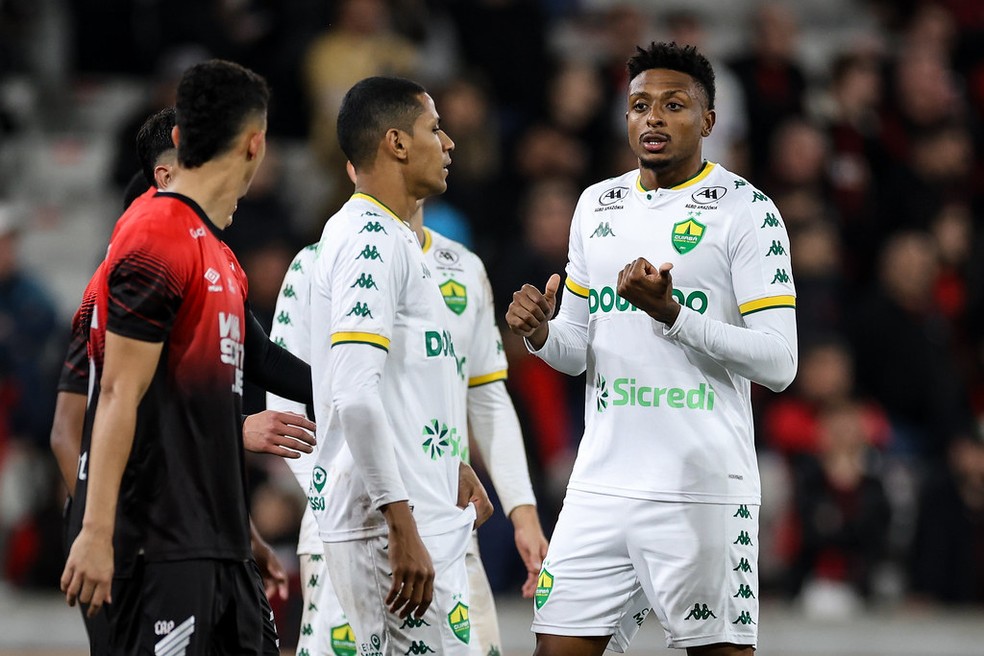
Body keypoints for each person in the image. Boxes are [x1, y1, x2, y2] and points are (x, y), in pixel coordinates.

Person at [505, 42, 798, 655]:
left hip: (702, 486)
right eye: (640, 105)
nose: (654, 118)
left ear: (709, 121)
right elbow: (578, 348)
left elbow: (780, 362)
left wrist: (674, 315)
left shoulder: (748, 212)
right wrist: (539, 334)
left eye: (673, 105)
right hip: (600, 484)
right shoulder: (596, 205)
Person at [57, 60, 296, 656]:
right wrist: (94, 531)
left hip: (218, 544)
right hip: (157, 542)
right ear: (255, 144)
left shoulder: (222, 257)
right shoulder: (151, 237)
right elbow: (114, 394)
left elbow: (253, 375)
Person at [268, 179, 547, 655]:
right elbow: (285, 409)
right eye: (431, 129)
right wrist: (343, 494)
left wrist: (524, 513)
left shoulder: (463, 267)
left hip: (447, 521)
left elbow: (486, 396)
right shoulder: (314, 263)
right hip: (345, 528)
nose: (445, 144)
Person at [303, 76, 491, 655]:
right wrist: (400, 523)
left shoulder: (389, 238)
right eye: (435, 128)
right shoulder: (370, 241)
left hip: (410, 512)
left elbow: (400, 386)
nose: (450, 143)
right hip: (389, 531)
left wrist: (445, 461)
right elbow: (354, 396)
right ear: (397, 143)